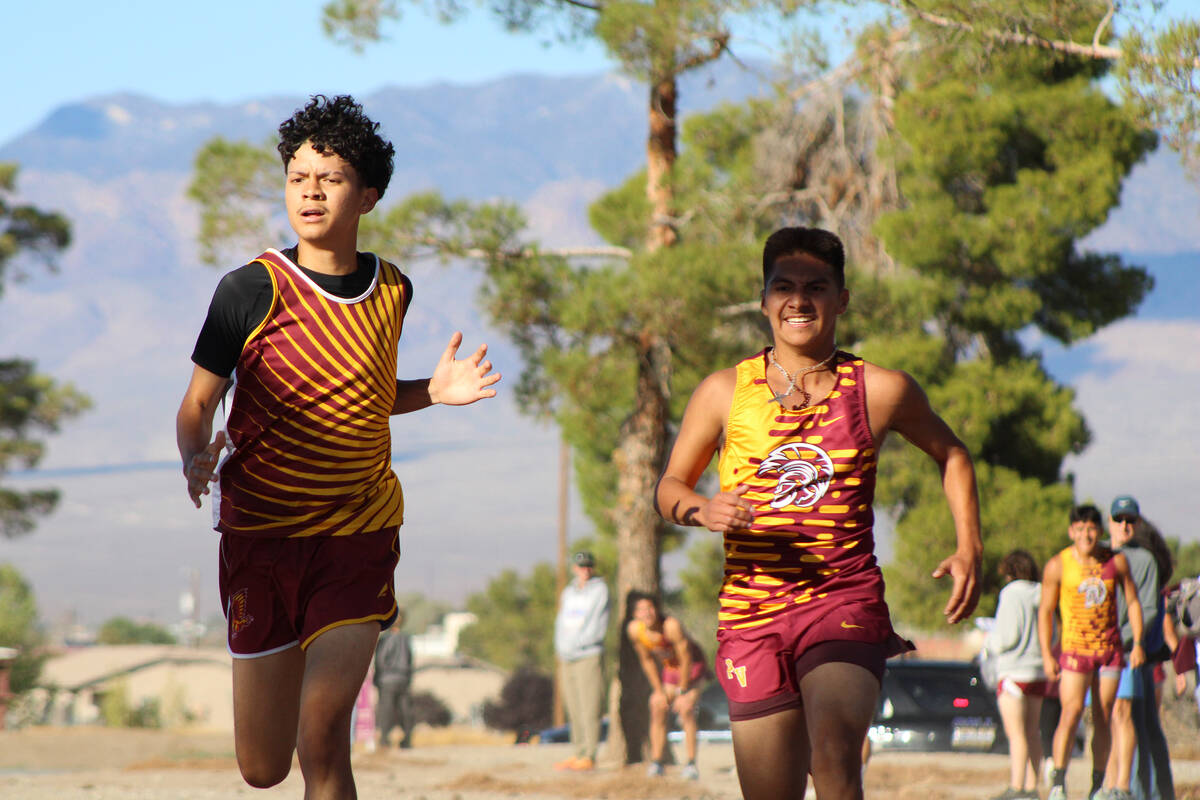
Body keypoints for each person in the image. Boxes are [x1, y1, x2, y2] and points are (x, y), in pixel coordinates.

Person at [175, 95, 500, 798]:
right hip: (260, 539)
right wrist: (194, 455)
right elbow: (197, 404)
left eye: (331, 178)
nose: (311, 192)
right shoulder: (248, 290)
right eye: (298, 178)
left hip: (358, 533)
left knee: (323, 734)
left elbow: (366, 393)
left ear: (369, 195)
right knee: (263, 767)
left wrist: (432, 391)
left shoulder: (393, 288)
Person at [654, 226, 983, 800]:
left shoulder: (880, 390)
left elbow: (952, 453)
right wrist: (702, 509)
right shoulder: (722, 392)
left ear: (842, 299)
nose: (799, 300)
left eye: (816, 287)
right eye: (784, 287)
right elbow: (669, 488)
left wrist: (969, 546)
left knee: (833, 756)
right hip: (752, 614)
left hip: (842, 599)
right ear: (763, 301)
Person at [1037, 504, 1144, 800]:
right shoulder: (1058, 565)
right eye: (1080, 529)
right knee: (1071, 712)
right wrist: (1046, 653)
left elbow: (1133, 601)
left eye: (1092, 529)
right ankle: (1058, 783)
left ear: (1099, 530)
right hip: (1075, 651)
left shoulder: (1116, 561)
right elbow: (1045, 611)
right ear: (1071, 531)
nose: (1086, 535)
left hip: (1109, 650)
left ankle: (1097, 786)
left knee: (1103, 716)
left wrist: (1137, 643)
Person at [1104, 499, 1175, 800]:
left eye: (1130, 521)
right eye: (1118, 520)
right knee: (1125, 721)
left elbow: (1147, 610)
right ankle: (1121, 788)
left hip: (1131, 651)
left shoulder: (1144, 560)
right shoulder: (1101, 555)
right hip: (1105, 652)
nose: (1124, 526)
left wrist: (1130, 639)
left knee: (1130, 720)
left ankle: (1135, 790)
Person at [626, 592, 708, 781]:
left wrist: (682, 691)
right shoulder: (635, 630)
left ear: (657, 609)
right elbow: (646, 660)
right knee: (657, 705)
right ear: (635, 614)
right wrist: (659, 690)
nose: (647, 613)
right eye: (641, 610)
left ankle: (691, 764)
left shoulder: (671, 626)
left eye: (650, 608)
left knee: (686, 708)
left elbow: (687, 659)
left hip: (692, 669)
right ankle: (657, 762)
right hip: (670, 671)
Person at [986, 550, 1047, 800]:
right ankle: (1032, 788)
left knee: (1017, 734)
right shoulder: (1043, 592)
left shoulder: (1010, 594)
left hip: (1013, 672)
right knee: (1033, 732)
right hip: (1038, 672)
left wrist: (989, 642)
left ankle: (1017, 787)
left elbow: (1007, 636)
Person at [552, 550, 610, 772]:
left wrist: (579, 644)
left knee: (590, 706)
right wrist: (561, 647)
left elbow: (596, 624)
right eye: (581, 566)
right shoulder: (568, 592)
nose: (585, 570)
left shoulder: (599, 590)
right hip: (566, 656)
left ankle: (589, 754)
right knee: (573, 707)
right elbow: (562, 621)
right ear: (574, 568)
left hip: (587, 654)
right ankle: (578, 751)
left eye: (588, 566)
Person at [374, 609, 415, 749]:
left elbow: (380, 660)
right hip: (403, 678)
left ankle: (385, 740)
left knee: (386, 710)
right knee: (405, 710)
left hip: (387, 679)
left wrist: (377, 678)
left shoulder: (385, 639)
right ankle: (407, 740)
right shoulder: (406, 639)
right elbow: (410, 660)